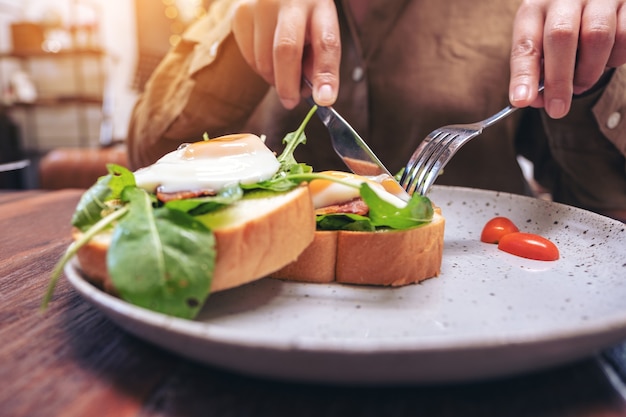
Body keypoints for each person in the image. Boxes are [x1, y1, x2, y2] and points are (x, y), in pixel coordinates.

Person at [127, 0, 626, 222]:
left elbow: (601, 203)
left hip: (499, 311)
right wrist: (236, 38)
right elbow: (146, 157)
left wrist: (596, 69)